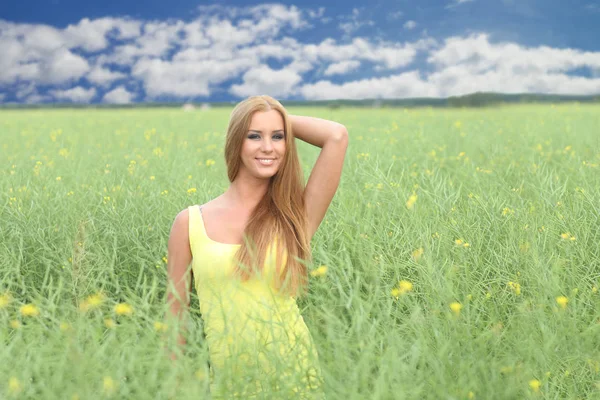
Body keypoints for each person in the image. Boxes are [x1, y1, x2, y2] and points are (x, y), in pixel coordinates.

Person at [164, 95, 348, 398]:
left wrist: (277, 116)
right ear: (236, 141)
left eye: (278, 137)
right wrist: (176, 386)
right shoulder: (190, 223)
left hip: (296, 376)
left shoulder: (294, 217)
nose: (268, 147)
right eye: (254, 136)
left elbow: (336, 136)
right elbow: (176, 318)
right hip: (230, 384)